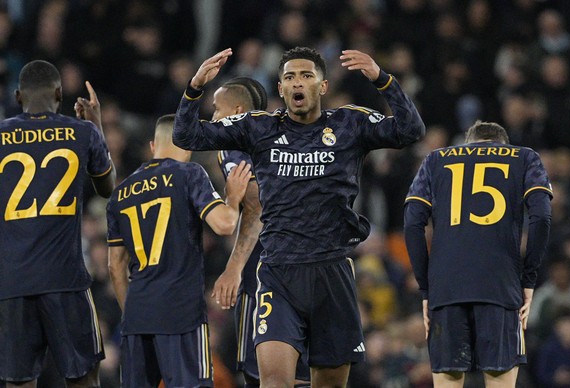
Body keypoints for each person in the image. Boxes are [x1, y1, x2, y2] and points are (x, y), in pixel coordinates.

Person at [173, 46, 425, 387]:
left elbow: (410, 131)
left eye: (306, 75)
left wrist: (382, 81)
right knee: (274, 381)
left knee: (329, 383)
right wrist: (195, 87)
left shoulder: (349, 123)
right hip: (279, 274)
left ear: (321, 86)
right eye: (289, 76)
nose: (297, 82)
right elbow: (186, 135)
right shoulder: (258, 128)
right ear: (280, 89)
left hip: (331, 271)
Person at [403, 121, 553, 387]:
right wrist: (528, 279)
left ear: (468, 142)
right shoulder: (525, 157)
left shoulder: (435, 160)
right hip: (500, 287)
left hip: (446, 290)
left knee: (448, 379)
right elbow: (541, 217)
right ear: (501, 143)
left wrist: (427, 288)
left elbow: (413, 224)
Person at [106, 114, 251, 388]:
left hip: (137, 315)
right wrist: (232, 196)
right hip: (180, 313)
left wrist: (134, 312)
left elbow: (115, 267)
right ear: (188, 144)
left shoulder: (120, 193)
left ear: (152, 146)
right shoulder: (189, 174)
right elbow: (224, 225)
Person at [0, 60, 116, 387]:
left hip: (12, 284)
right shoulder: (82, 132)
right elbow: (107, 188)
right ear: (59, 93)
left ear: (19, 96)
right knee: (83, 379)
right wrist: (97, 126)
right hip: (65, 279)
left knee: (17, 382)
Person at [210, 77, 310, 387]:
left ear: (237, 111)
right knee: (306, 371)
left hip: (268, 268)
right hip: (314, 260)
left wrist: (234, 268)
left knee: (261, 373)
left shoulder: (234, 145)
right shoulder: (289, 137)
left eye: (216, 110)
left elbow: (256, 208)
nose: (213, 118)